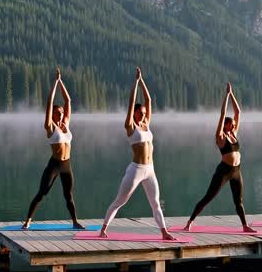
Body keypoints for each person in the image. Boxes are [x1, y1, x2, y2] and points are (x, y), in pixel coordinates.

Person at [99, 67, 175, 240]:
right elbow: (132, 102)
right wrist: (135, 82)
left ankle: (164, 232)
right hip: (136, 169)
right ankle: (103, 229)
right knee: (120, 201)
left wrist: (142, 82)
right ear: (134, 113)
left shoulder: (146, 124)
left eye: (144, 113)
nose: (143, 115)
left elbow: (148, 100)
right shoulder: (130, 126)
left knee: (155, 203)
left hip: (150, 170)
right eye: (140, 113)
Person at [183, 83, 255, 232]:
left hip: (236, 171)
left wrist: (232, 94)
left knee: (238, 200)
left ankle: (245, 226)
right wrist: (226, 96)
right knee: (208, 197)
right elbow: (222, 115)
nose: (234, 125)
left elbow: (238, 112)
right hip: (223, 171)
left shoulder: (233, 134)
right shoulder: (220, 137)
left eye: (234, 124)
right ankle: (189, 222)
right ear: (226, 125)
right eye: (231, 124)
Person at [22, 68, 84, 230]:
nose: (61, 114)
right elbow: (49, 102)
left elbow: (68, 101)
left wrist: (61, 81)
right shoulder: (49, 127)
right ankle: (28, 221)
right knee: (42, 193)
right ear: (52, 115)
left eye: (62, 112)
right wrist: (55, 83)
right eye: (58, 112)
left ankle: (75, 222)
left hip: (66, 165)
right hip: (54, 165)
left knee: (68, 195)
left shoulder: (66, 124)